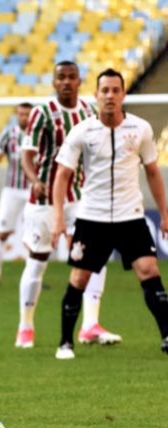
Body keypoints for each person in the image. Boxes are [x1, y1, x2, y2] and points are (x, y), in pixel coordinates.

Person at [50, 68, 168, 359]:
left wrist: (165, 214)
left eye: (116, 90)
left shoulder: (140, 129)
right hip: (93, 217)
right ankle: (65, 343)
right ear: (96, 95)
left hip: (131, 216)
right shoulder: (83, 131)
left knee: (149, 270)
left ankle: (167, 335)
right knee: (79, 278)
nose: (110, 96)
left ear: (123, 94)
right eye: (105, 90)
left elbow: (153, 172)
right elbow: (62, 175)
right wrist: (57, 218)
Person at [15, 60, 121, 349]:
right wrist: (35, 179)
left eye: (71, 77)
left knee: (93, 257)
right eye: (61, 77)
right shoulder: (42, 113)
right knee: (38, 260)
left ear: (79, 81)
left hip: (80, 199)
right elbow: (27, 155)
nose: (66, 82)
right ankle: (26, 326)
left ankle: (90, 325)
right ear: (54, 82)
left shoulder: (88, 111)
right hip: (43, 201)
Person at [0, 103, 32, 287]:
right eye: (21, 114)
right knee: (2, 234)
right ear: (16, 115)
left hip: (33, 191)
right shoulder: (9, 134)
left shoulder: (39, 134)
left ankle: (33, 276)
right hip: (12, 190)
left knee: (34, 236)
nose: (24, 117)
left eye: (27, 114)